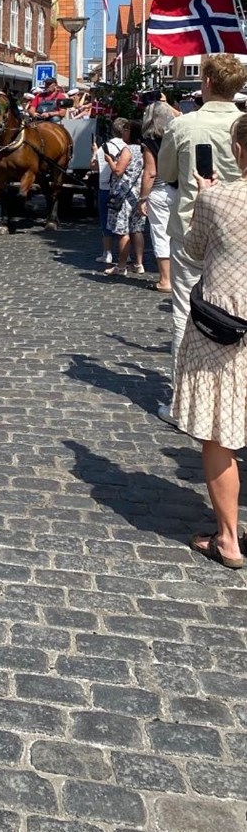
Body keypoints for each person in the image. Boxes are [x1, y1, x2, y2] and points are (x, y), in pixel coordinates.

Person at [173, 111, 247, 569]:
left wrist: (205, 197)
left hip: (227, 329)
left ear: (239, 151)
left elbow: (193, 250)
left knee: (220, 434)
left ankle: (229, 540)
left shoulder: (219, 198)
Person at [157, 52, 247, 415]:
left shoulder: (184, 125)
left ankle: (183, 400)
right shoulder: (243, 124)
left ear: (206, 82)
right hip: (241, 229)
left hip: (192, 226)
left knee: (185, 310)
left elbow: (166, 173)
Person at [138, 100, 179, 294]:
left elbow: (150, 172)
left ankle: (165, 280)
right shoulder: (177, 135)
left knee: (161, 234)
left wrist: (142, 198)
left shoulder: (150, 140)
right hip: (180, 189)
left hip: (160, 191)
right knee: (179, 234)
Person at [103, 118, 145, 276]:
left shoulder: (128, 150)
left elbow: (118, 171)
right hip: (137, 194)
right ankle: (139, 264)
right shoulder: (143, 149)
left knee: (123, 232)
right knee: (137, 230)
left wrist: (110, 161)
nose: (123, 132)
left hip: (123, 195)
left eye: (126, 129)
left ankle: (121, 266)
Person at [90, 124, 124, 266]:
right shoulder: (128, 147)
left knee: (105, 221)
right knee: (122, 222)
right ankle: (125, 255)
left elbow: (94, 167)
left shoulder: (104, 147)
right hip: (123, 188)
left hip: (105, 187)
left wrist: (94, 152)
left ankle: (107, 253)